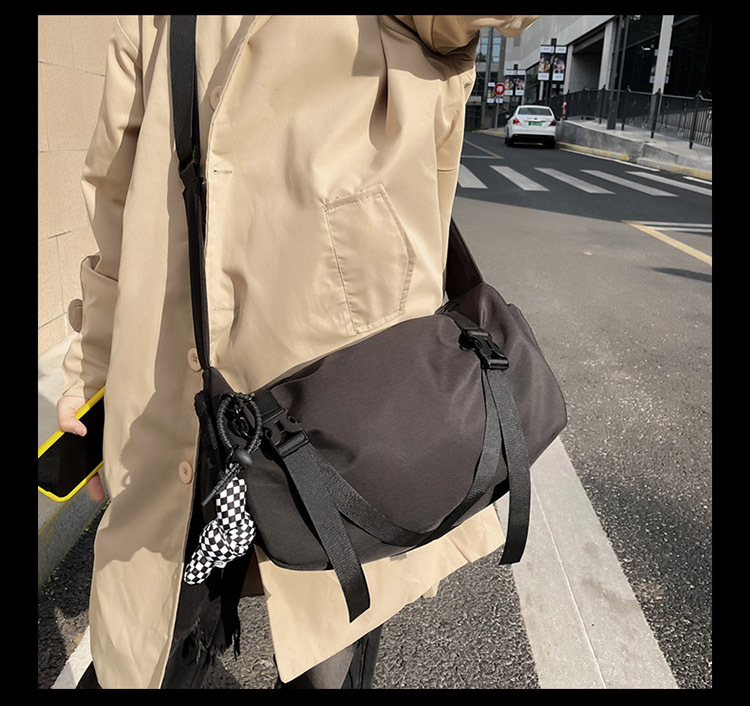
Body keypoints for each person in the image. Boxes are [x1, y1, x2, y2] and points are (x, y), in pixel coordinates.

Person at [57, 14, 539, 689]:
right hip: (182, 371)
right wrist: (96, 371)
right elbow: (116, 200)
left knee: (329, 632)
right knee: (152, 629)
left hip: (339, 379)